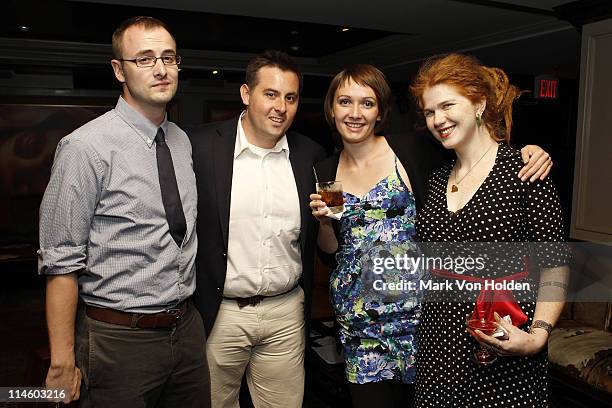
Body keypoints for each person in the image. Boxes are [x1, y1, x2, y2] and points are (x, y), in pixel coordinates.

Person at [309, 64, 553, 408]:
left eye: (367, 103)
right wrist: (323, 222)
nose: (355, 113)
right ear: (331, 108)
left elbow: (474, 150)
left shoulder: (413, 150)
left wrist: (528, 150)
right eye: (345, 102)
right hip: (358, 322)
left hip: (420, 321)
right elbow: (332, 251)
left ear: (380, 111)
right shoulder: (323, 168)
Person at [38, 16, 210, 407]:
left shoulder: (180, 141)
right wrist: (62, 362)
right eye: (145, 59)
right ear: (119, 70)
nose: (162, 69)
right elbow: (61, 262)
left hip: (186, 329)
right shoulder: (85, 148)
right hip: (118, 340)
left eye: (169, 57)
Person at [409, 53, 570, 407]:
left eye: (447, 105)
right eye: (429, 112)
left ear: (479, 103)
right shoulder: (436, 180)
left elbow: (555, 265)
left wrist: (538, 336)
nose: (438, 119)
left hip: (502, 343)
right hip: (439, 345)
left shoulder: (524, 171)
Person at [188, 50, 327, 408]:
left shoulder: (310, 155)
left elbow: (321, 237)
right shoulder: (199, 146)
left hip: (285, 312)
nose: (281, 107)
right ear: (246, 94)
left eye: (290, 97)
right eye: (271, 94)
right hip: (221, 313)